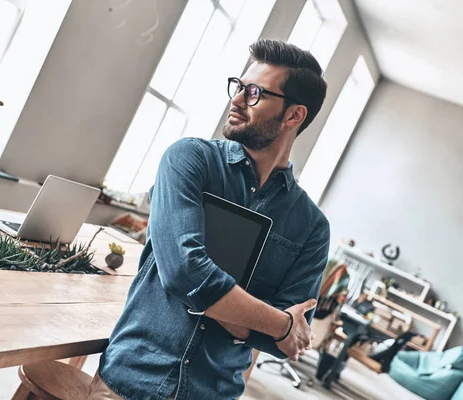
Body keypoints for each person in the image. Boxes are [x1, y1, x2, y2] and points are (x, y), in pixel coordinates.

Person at [90, 39, 330, 399]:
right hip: (131, 381)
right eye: (238, 87)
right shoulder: (189, 160)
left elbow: (291, 339)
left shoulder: (311, 226)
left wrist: (266, 323)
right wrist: (274, 321)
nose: (236, 100)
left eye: (254, 93)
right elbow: (184, 270)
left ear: (294, 115)